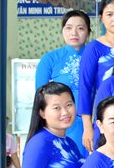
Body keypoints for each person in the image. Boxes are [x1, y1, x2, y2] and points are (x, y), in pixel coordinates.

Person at [36, 9, 90, 154]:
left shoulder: (96, 57)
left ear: (88, 32)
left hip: (95, 121)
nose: (74, 33)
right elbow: (40, 97)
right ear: (62, 31)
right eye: (68, 28)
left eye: (80, 28)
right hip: (62, 122)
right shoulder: (49, 59)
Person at [80, 0, 114, 152]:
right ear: (101, 18)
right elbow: (85, 87)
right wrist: (88, 127)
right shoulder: (93, 48)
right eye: (109, 14)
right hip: (106, 117)